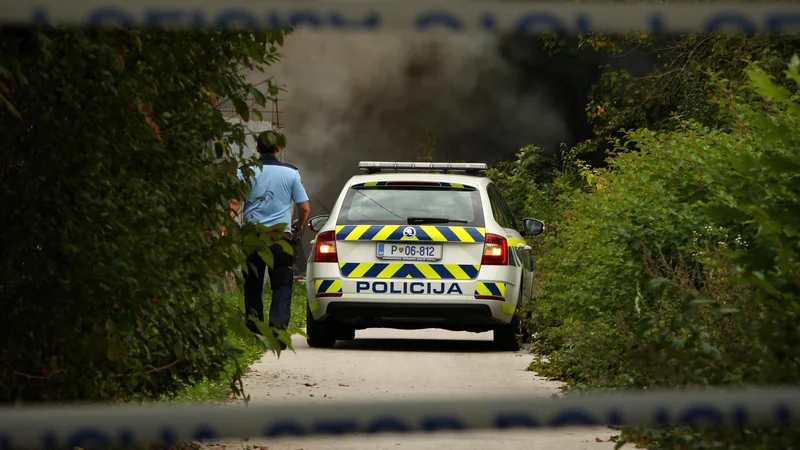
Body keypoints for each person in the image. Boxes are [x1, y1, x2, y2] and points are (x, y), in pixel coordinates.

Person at [229, 131, 310, 348]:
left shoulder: (244, 172)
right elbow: (304, 207)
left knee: (253, 286)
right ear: (278, 149)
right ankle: (277, 333)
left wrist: (223, 229)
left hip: (252, 238)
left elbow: (234, 204)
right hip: (280, 239)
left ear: (256, 148)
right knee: (282, 286)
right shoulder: (291, 174)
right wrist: (299, 226)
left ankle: (255, 334)